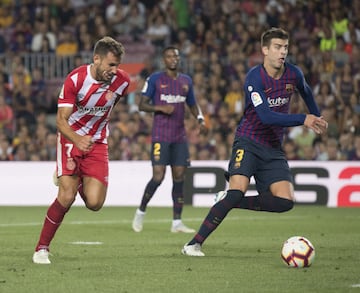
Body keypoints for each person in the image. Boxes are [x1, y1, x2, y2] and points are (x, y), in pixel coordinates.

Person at [181, 27, 328, 257]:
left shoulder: (294, 74)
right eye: (278, 47)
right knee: (237, 190)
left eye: (286, 47)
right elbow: (266, 116)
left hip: (272, 148)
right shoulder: (254, 78)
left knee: (284, 202)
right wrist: (304, 119)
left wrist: (317, 117)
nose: (283, 52)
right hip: (248, 141)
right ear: (265, 50)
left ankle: (228, 200)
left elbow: (307, 92)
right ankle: (193, 243)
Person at [32, 36, 130, 264]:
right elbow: (60, 121)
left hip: (97, 143)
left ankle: (74, 179)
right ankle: (42, 249)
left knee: (95, 203)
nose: (115, 71)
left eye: (117, 66)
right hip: (70, 138)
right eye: (110, 65)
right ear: (96, 58)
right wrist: (77, 139)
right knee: (66, 196)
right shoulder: (75, 80)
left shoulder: (122, 82)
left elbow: (109, 107)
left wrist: (95, 132)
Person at [132, 46, 206, 233]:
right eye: (169, 56)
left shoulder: (185, 81)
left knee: (179, 177)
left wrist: (199, 118)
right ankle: (141, 211)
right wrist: (161, 108)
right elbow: (142, 105)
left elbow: (192, 104)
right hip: (160, 136)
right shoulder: (155, 79)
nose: (173, 59)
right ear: (163, 59)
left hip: (179, 136)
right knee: (158, 176)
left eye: (176, 56)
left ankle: (177, 222)